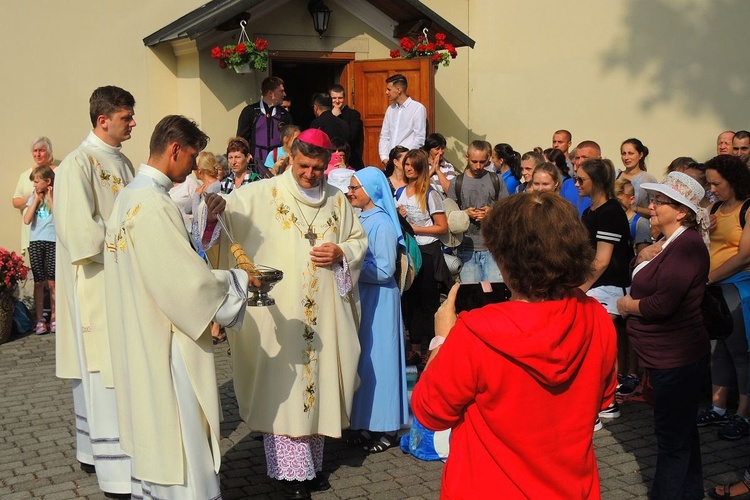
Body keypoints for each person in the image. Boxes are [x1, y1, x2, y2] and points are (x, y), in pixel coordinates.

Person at [412, 192, 617, 499]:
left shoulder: (476, 332)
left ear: (505, 257)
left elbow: (431, 412)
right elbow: (603, 399)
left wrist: (442, 338)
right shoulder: (596, 317)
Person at [201, 128, 367, 500]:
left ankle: (308, 468)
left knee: (318, 386)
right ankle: (288, 477)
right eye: (304, 165)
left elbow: (359, 241)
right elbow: (224, 224)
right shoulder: (260, 194)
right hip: (278, 316)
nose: (310, 174)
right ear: (291, 157)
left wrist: (342, 252)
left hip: (324, 315)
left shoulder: (338, 201)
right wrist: (213, 213)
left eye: (318, 168)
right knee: (285, 390)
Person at [104, 115, 251, 499]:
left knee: (159, 431)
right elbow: (186, 282)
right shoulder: (152, 205)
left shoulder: (128, 197)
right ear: (174, 149)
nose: (192, 167)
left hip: (140, 329)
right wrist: (240, 283)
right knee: (180, 436)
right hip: (167, 341)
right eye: (191, 155)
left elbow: (172, 255)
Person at [54, 85, 136, 497]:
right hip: (96, 284)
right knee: (104, 372)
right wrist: (134, 241)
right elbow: (80, 234)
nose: (133, 123)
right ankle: (114, 472)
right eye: (126, 117)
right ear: (103, 120)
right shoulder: (76, 164)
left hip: (120, 280)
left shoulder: (123, 162)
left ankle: (98, 453)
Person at [617, 172, 710, 499]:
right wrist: (639, 256)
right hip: (665, 358)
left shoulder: (687, 246)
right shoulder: (666, 244)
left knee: (672, 441)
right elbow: (646, 277)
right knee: (682, 436)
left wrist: (627, 305)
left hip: (677, 359)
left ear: (682, 210)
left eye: (659, 202)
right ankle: (691, 493)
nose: (651, 206)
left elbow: (662, 303)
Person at [345, 167, 409, 453]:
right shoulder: (361, 217)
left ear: (370, 191)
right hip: (367, 296)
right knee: (366, 361)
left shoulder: (381, 223)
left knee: (381, 362)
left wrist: (349, 264)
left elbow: (384, 270)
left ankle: (387, 427)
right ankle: (365, 422)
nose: (351, 192)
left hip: (381, 300)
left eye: (356, 188)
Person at [697, 155, 750, 443]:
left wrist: (710, 277)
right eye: (709, 184)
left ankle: (743, 412)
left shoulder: (748, 209)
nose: (712, 189)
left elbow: (745, 255)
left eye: (716, 183)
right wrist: (706, 229)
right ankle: (718, 407)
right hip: (715, 290)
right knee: (717, 349)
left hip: (738, 289)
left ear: (734, 181)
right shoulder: (715, 209)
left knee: (740, 353)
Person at [578, 158, 634, 422]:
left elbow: (602, 260)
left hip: (610, 288)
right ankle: (603, 400)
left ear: (597, 182)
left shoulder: (611, 211)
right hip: (595, 286)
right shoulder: (590, 211)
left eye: (581, 180)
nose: (576, 184)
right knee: (597, 345)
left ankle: (607, 402)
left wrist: (579, 288)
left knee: (598, 345)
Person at [396, 149, 450, 366]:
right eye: (405, 164)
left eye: (411, 165)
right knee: (410, 300)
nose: (407, 168)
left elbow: (441, 227)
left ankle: (430, 347)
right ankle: (415, 347)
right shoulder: (400, 191)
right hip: (408, 251)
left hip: (427, 252)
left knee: (428, 302)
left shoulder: (430, 193)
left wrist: (415, 228)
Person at [447, 140, 508, 283]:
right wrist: (465, 214)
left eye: (482, 162)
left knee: (495, 294)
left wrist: (492, 213)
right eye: (474, 161)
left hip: (492, 248)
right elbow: (449, 215)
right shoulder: (457, 182)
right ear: (466, 157)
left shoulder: (496, 180)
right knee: (471, 296)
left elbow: (507, 210)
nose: (478, 166)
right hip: (466, 248)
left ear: (488, 159)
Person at [23, 165, 56, 335]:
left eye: (37, 182)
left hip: (53, 242)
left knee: (52, 282)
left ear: (48, 181)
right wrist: (36, 199)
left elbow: (59, 218)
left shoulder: (56, 197)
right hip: (36, 242)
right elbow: (27, 220)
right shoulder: (33, 198)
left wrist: (50, 197)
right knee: (38, 282)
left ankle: (54, 317)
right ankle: (40, 320)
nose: (34, 185)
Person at [13, 137, 55, 258]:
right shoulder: (25, 175)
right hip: (33, 232)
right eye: (35, 151)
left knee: (52, 273)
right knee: (38, 273)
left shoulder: (59, 172)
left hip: (52, 233)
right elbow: (15, 201)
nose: (37, 154)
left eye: (41, 150)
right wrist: (32, 198)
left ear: (49, 152)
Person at [236, 76, 293, 166]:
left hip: (279, 163)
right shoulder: (250, 111)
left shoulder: (284, 115)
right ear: (271, 94)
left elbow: (291, 140)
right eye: (281, 91)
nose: (284, 94)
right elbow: (241, 139)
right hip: (255, 164)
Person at [378, 74, 426, 166]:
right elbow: (384, 136)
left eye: (389, 89)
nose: (386, 92)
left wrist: (404, 157)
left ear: (399, 90)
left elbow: (419, 138)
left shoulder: (417, 108)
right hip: (390, 162)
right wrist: (384, 157)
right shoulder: (390, 109)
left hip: (408, 161)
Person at [617, 138, 657, 217]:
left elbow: (655, 210)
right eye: (624, 153)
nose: (626, 157)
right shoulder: (615, 175)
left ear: (640, 155)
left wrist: (636, 209)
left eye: (630, 153)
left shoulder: (648, 179)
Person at [561, 140, 601, 215]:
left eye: (585, 157)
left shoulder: (606, 186)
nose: (579, 162)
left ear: (598, 159)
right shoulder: (567, 184)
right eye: (577, 158)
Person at [330, 84, 364, 170]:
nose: (337, 101)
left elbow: (352, 136)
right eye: (334, 98)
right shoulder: (328, 115)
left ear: (344, 98)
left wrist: (338, 119)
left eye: (340, 98)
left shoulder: (354, 114)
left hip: (350, 160)